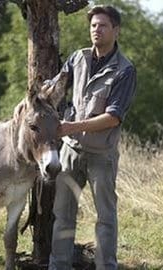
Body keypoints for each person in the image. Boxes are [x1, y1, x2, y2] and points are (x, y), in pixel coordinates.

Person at [48, 5, 137, 270]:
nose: (96, 30)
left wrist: (70, 127)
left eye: (103, 25)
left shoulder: (125, 70)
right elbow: (56, 87)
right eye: (93, 25)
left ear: (116, 30)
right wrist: (40, 94)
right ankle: (58, 266)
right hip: (70, 152)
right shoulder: (78, 58)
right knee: (62, 215)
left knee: (105, 218)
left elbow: (113, 118)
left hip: (102, 156)